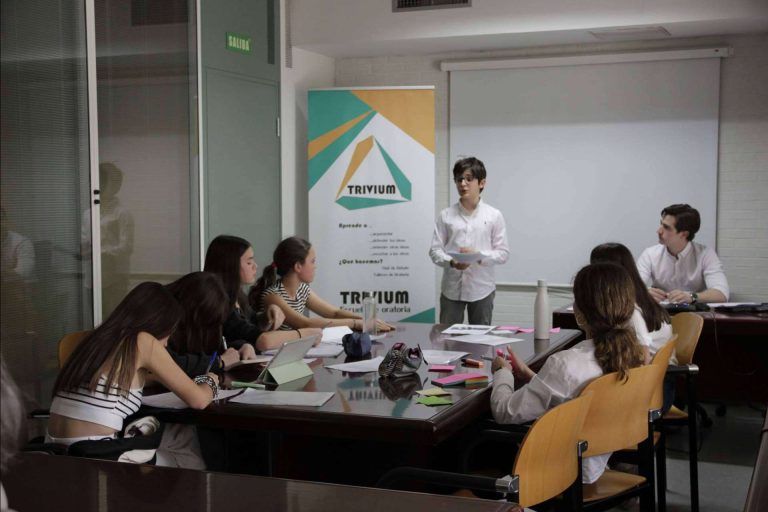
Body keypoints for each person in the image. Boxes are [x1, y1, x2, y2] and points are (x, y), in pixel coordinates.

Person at [491, 262, 645, 484]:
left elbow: (504, 411)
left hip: (559, 472)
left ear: (580, 313)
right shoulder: (631, 357)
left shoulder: (565, 364)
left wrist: (501, 372)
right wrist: (531, 376)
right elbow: (569, 395)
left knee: (472, 441)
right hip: (595, 462)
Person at [46, 282, 219, 466]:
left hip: (54, 452)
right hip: (99, 458)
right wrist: (210, 380)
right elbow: (199, 400)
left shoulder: (98, 338)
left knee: (175, 435)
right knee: (185, 440)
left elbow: (118, 381)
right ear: (159, 323)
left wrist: (161, 379)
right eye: (170, 332)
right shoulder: (142, 341)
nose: (166, 343)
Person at [250, 236, 394, 332]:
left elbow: (334, 313)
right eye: (312, 261)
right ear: (298, 266)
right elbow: (305, 324)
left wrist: (367, 320)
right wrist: (356, 323)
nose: (315, 266)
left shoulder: (302, 290)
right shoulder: (273, 296)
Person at [204, 235, 320, 351]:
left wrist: (266, 317)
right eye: (249, 262)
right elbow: (263, 341)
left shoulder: (239, 297)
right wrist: (302, 334)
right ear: (230, 266)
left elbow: (251, 323)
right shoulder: (219, 303)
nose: (255, 266)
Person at [429, 157, 509, 325]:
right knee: (447, 337)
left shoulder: (494, 215)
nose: (463, 184)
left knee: (480, 338)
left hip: (482, 289)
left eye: (469, 179)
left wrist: (478, 256)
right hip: (451, 289)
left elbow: (503, 253)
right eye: (459, 179)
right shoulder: (446, 215)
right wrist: (452, 262)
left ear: (482, 183)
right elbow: (435, 251)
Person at [590, 242, 673, 361]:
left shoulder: (630, 310)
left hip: (655, 368)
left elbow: (644, 358)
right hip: (652, 364)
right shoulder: (638, 295)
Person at [166, 272, 257, 376]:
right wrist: (219, 362)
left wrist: (242, 347)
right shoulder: (163, 319)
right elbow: (167, 364)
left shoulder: (198, 320)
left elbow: (213, 348)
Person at [637, 204, 729, 304]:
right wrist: (644, 293)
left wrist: (692, 297)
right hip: (659, 312)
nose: (659, 231)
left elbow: (722, 293)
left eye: (666, 227)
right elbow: (630, 287)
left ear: (684, 234)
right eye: (661, 224)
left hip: (694, 312)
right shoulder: (650, 254)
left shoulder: (706, 254)